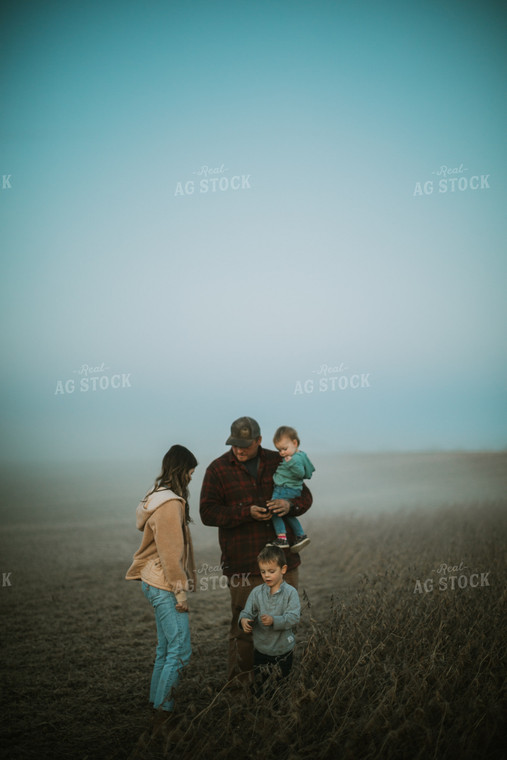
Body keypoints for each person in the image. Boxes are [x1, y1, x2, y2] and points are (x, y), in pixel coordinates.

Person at [199, 416, 312, 684]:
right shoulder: (217, 470)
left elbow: (304, 496)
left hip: (283, 563)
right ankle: (240, 692)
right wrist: (245, 512)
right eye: (235, 445)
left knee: (283, 625)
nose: (240, 450)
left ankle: (277, 688)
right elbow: (207, 512)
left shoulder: (280, 460)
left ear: (259, 441)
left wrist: (289, 506)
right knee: (245, 628)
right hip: (243, 565)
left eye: (246, 445)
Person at [126, 445, 197, 725]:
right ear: (182, 470)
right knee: (180, 650)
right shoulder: (170, 505)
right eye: (191, 471)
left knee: (165, 649)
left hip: (151, 580)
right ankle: (163, 714)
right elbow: (170, 553)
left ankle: (156, 704)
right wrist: (180, 594)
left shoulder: (155, 496)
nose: (192, 477)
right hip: (164, 583)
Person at [239, 545, 300, 694]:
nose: (266, 575)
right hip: (261, 650)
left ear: (283, 570)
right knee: (261, 687)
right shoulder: (257, 593)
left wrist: (274, 620)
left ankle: (280, 712)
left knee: (281, 687)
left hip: (283, 651)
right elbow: (246, 612)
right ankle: (262, 709)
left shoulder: (291, 593)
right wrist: (244, 621)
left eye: (271, 571)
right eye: (263, 571)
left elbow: (294, 618)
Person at [267, 425, 315, 551]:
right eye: (279, 450)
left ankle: (282, 538)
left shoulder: (294, 459)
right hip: (291, 489)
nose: (282, 453)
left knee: (274, 511)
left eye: (284, 449)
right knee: (286, 513)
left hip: (284, 488)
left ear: (295, 443)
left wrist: (290, 462)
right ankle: (300, 535)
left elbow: (300, 473)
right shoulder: (301, 455)